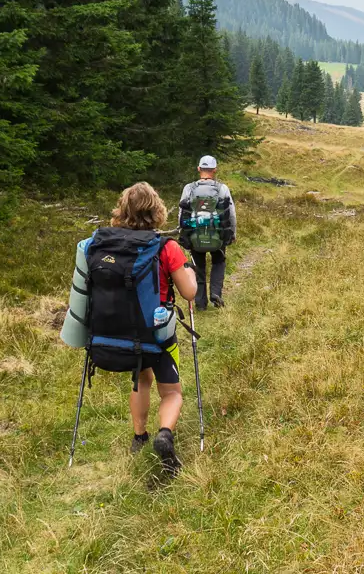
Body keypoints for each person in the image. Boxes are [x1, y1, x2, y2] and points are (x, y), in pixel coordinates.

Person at [60, 182, 197, 473]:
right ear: (156, 210)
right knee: (171, 391)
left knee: (141, 380)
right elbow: (189, 292)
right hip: (155, 335)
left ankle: (139, 437)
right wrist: (191, 273)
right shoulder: (166, 247)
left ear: (122, 210)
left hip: (111, 335)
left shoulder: (96, 244)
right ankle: (165, 434)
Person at [178, 155, 237, 309]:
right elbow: (231, 213)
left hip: (194, 235)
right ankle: (216, 294)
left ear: (199, 169)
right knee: (218, 262)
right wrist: (232, 233)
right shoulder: (222, 188)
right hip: (217, 234)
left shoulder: (189, 188)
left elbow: (181, 213)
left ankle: (200, 302)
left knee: (198, 267)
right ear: (214, 170)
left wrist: (183, 233)